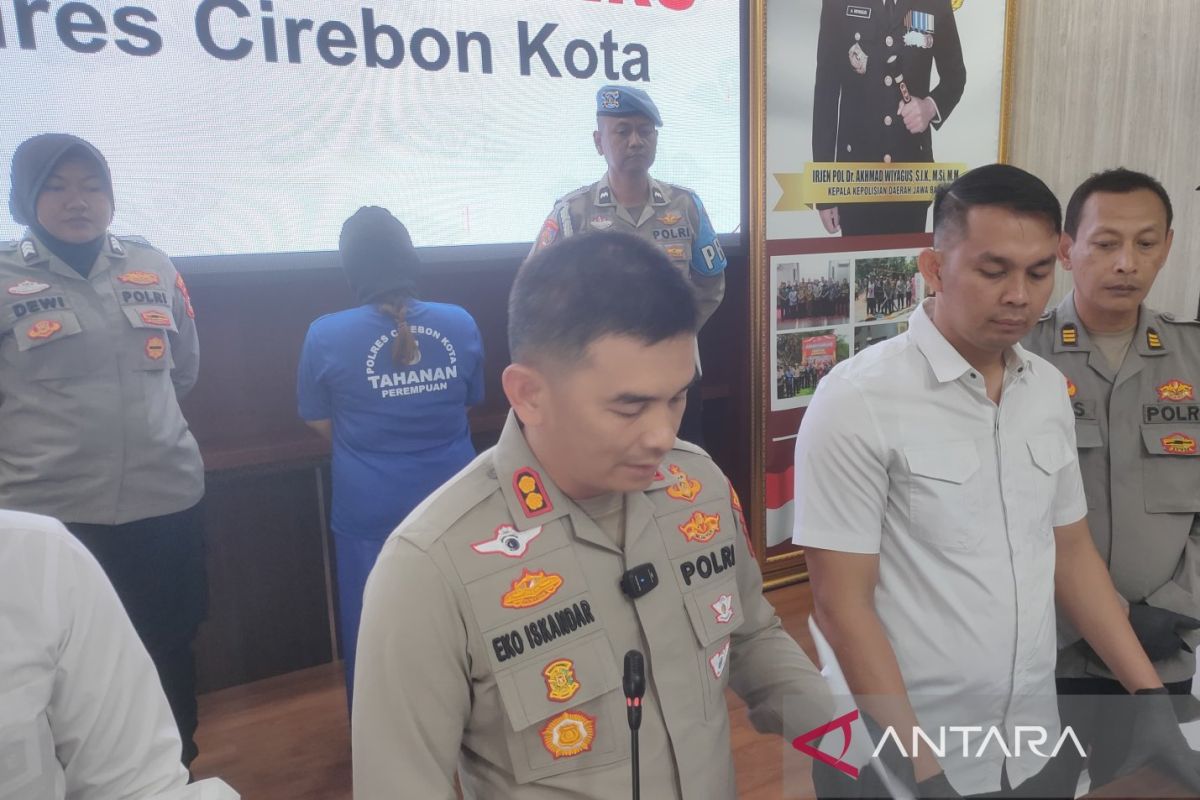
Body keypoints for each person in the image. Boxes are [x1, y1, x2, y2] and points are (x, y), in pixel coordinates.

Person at [353, 231, 832, 799]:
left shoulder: (698, 484)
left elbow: (752, 639)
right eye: (630, 407)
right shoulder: (430, 567)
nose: (662, 435)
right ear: (528, 393)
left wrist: (866, 753)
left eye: (677, 397)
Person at [792, 164, 1200, 798]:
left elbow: (1071, 554)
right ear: (934, 268)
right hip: (901, 754)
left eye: (1038, 273)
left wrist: (1148, 698)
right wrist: (922, 773)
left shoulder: (1045, 390)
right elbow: (841, 607)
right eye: (994, 271)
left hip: (1028, 744)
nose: (1019, 296)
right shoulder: (857, 398)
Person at [0, 133, 206, 766]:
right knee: (56, 664)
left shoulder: (153, 265)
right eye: (57, 187)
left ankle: (174, 771)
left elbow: (184, 370)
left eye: (92, 186)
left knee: (167, 645)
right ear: (25, 199)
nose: (78, 201)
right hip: (51, 513)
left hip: (164, 499)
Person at [1021, 169, 1200, 796]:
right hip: (1046, 650)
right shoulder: (1021, 356)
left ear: (1168, 247)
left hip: (1161, 645)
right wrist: (1091, 617)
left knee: (1145, 787)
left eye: (1146, 244)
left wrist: (1177, 606)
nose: (1127, 263)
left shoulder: (1193, 357)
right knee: (1033, 786)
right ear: (1066, 249)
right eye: (1105, 243)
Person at [297, 206, 485, 704]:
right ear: (410, 258)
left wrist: (370, 433)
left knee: (375, 636)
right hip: (457, 502)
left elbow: (317, 419)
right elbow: (468, 400)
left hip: (369, 510)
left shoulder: (324, 335)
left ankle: (379, 736)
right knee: (464, 626)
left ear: (351, 269)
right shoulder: (460, 322)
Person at [530, 84, 727, 445]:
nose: (636, 141)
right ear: (598, 141)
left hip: (673, 380)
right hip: (602, 382)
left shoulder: (686, 206)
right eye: (622, 131)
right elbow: (536, 292)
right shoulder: (573, 214)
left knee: (682, 469)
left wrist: (669, 333)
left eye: (645, 131)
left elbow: (711, 282)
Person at [0, 508, 238, 800]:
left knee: (167, 686)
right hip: (65, 511)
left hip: (158, 518)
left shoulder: (43, 555)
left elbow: (139, 783)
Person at [812, 0, 966, 237]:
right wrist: (824, 192)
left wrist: (929, 107)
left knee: (906, 260)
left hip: (910, 173)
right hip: (855, 178)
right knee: (859, 260)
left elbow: (955, 76)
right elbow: (826, 93)